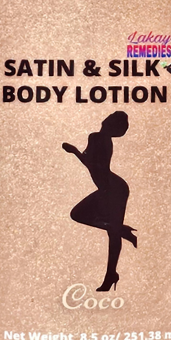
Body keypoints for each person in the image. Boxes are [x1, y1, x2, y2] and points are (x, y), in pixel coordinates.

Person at [62, 111, 137, 291]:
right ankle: (121, 231)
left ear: (110, 123)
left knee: (110, 232)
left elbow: (93, 165)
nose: (107, 119)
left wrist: (75, 151)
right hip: (111, 188)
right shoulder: (100, 139)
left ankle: (111, 275)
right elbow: (92, 165)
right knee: (78, 214)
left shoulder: (97, 138)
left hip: (114, 190)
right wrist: (74, 151)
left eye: (111, 119)